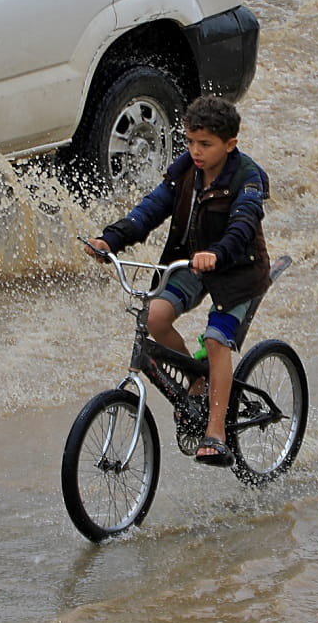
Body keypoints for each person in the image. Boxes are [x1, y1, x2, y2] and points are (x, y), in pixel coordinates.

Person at [85, 95, 271, 468]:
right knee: (154, 317)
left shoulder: (247, 177)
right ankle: (196, 378)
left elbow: (243, 222)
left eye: (205, 144)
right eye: (190, 142)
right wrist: (112, 238)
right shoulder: (185, 170)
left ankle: (216, 433)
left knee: (218, 341)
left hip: (236, 271)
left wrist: (219, 252)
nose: (195, 151)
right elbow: (151, 208)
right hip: (190, 263)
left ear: (229, 144)